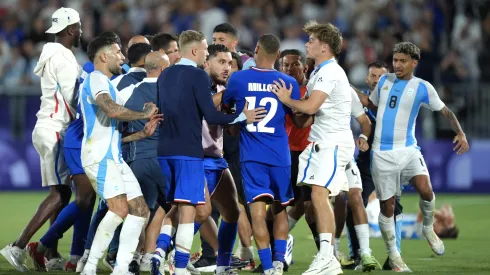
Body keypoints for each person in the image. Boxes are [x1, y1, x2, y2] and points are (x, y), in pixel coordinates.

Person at [150, 30, 265, 275]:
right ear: (205, 60)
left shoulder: (187, 79)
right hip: (195, 157)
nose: (227, 68)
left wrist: (235, 109)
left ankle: (220, 265)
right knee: (191, 210)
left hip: (213, 157)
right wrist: (238, 112)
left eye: (230, 64)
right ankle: (170, 257)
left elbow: (227, 129)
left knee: (232, 210)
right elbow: (206, 112)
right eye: (221, 62)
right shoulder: (198, 80)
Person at [354, 41, 469, 272]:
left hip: (408, 150)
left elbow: (445, 111)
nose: (397, 65)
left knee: (426, 189)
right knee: (388, 207)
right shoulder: (385, 81)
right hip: (382, 153)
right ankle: (394, 256)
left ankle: (428, 228)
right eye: (395, 60)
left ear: (414, 63)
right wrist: (348, 89)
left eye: (402, 61)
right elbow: (374, 105)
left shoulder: (423, 87)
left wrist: (461, 133)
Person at [0, 7, 82, 272]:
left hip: (46, 125)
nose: (80, 32)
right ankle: (19, 245)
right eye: (78, 27)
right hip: (57, 127)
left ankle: (49, 252)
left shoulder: (51, 53)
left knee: (62, 192)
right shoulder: (65, 58)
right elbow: (73, 99)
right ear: (71, 29)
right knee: (60, 194)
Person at [272, 21, 353, 275]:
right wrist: (296, 107)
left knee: (319, 196)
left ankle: (328, 257)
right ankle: (327, 256)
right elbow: (304, 117)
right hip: (319, 143)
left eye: (311, 40)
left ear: (325, 47)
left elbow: (310, 107)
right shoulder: (320, 71)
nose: (307, 44)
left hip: (332, 142)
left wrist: (287, 99)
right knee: (315, 199)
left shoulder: (330, 72)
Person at [79, 35, 156, 275]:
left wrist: (140, 135)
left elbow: (112, 132)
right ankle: (89, 267)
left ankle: (121, 268)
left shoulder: (109, 83)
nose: (123, 58)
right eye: (118, 53)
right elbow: (112, 111)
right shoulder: (95, 79)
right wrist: (142, 114)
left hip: (113, 156)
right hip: (99, 157)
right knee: (119, 209)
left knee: (140, 210)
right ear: (104, 56)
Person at [223, 34, 300, 275]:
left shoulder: (237, 79)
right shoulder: (288, 83)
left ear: (256, 49)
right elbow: (298, 120)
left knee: (257, 212)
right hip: (280, 156)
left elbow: (229, 119)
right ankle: (278, 262)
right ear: (278, 55)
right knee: (280, 210)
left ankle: (267, 267)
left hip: (251, 157)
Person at [121, 51, 171, 272]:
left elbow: (112, 118)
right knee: (179, 209)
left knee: (139, 213)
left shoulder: (127, 91)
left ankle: (134, 257)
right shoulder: (171, 91)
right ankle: (161, 256)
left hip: (136, 160)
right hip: (164, 161)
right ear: (161, 68)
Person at [212, 23, 255, 270]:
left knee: (240, 198)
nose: (216, 41)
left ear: (234, 43)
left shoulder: (245, 65)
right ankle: (223, 253)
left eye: (221, 38)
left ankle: (247, 251)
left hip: (238, 137)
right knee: (225, 201)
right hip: (219, 137)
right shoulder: (210, 67)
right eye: (214, 37)